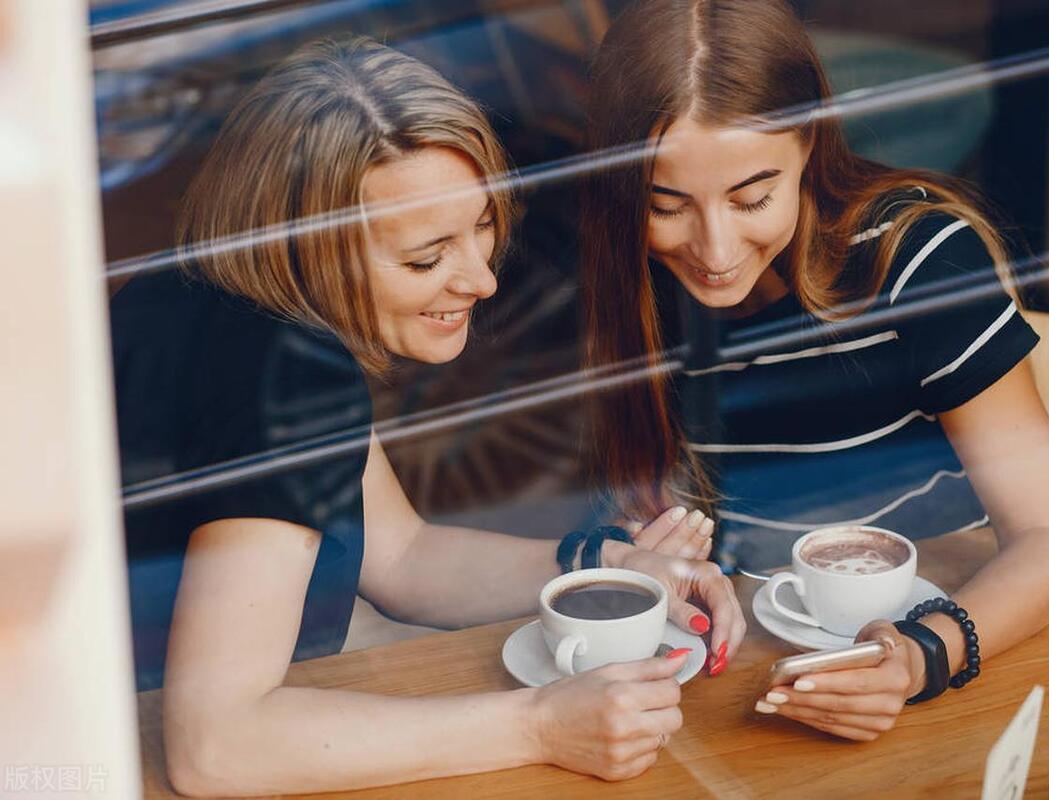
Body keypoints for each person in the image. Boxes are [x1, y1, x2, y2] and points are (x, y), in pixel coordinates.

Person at [110, 37, 743, 795]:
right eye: (425, 257)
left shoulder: (197, 294)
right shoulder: (286, 374)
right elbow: (215, 748)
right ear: (316, 251)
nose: (479, 278)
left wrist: (609, 563)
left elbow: (401, 557)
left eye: (480, 226)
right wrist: (539, 726)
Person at [579, 0, 1049, 741]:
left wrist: (919, 655)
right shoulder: (629, 277)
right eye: (667, 206)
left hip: (949, 646)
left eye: (753, 196)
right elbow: (636, 522)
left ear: (810, 147)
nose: (715, 250)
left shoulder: (917, 262)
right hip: (741, 675)